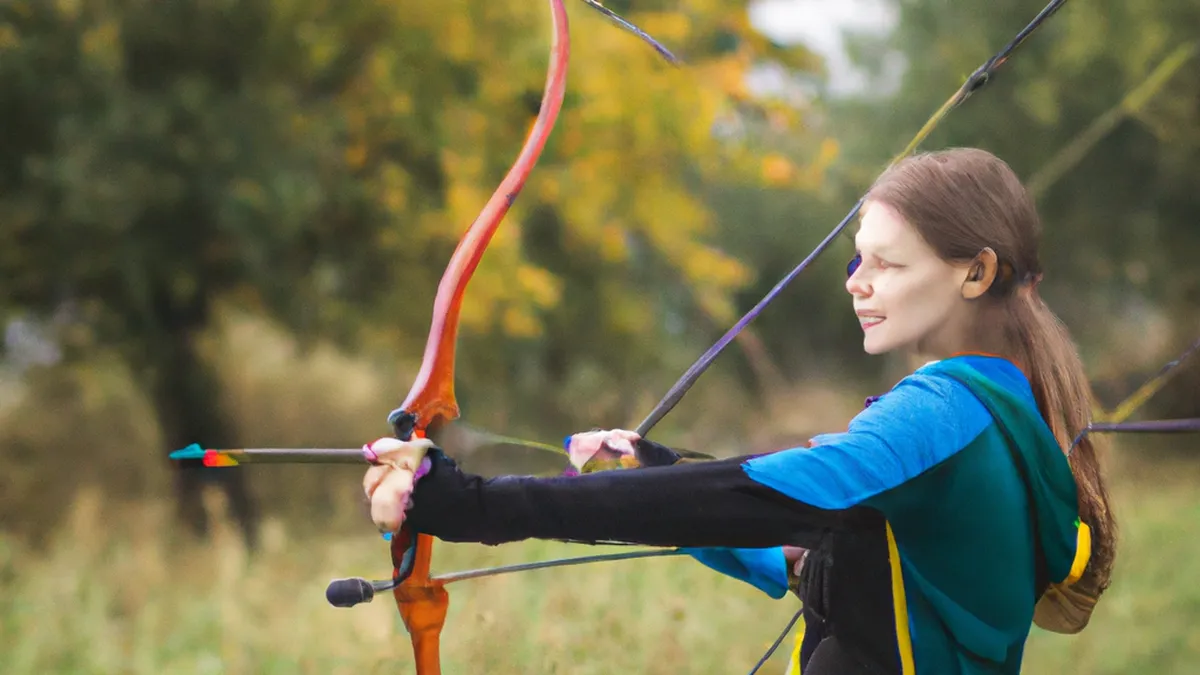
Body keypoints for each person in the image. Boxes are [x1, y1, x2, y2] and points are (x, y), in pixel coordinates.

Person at [362, 148, 1116, 674]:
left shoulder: (942, 414)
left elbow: (769, 497)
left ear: (975, 272)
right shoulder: (1002, 406)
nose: (857, 281)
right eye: (857, 259)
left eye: (888, 263)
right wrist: (658, 471)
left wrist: (473, 504)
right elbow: (824, 555)